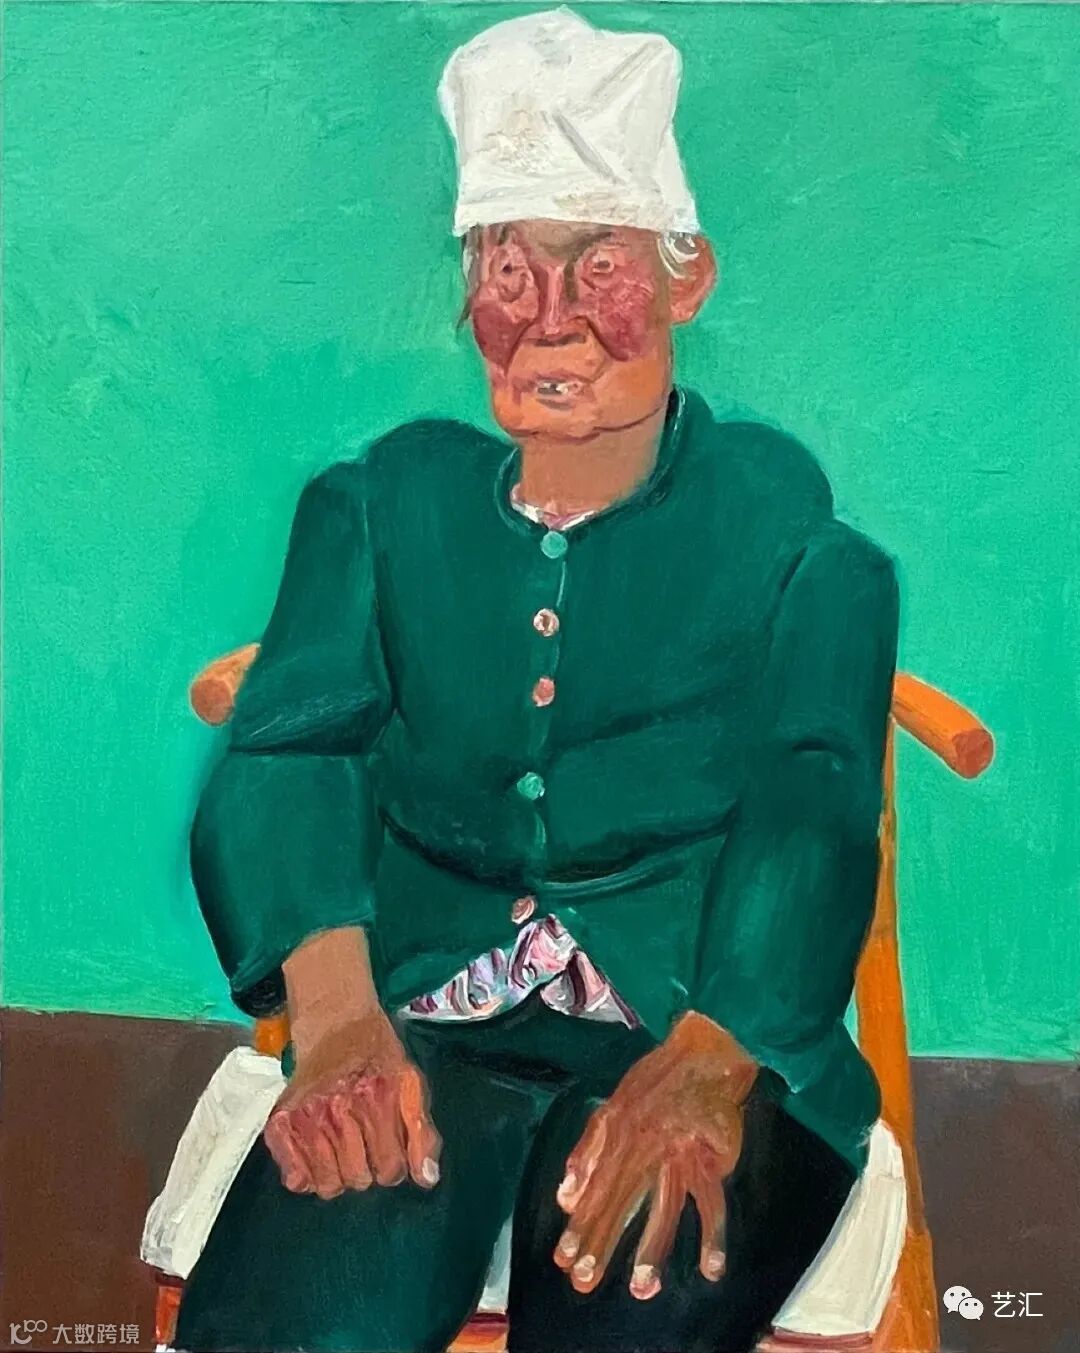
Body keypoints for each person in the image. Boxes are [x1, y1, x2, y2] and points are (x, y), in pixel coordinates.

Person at [176, 10, 899, 1352]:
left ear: (687, 280)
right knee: (290, 1316)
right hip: (416, 1026)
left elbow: (814, 807)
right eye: (508, 268)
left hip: (704, 1034)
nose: (550, 320)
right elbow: (285, 756)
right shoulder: (378, 505)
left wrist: (711, 1058)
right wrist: (334, 1021)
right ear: (468, 296)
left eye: (599, 265)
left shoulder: (798, 542)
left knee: (624, 1308)